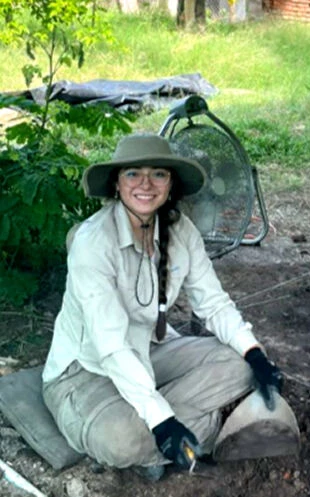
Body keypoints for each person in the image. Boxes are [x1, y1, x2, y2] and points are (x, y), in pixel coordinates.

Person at [41, 133, 286, 479]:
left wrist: (256, 355)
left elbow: (213, 303)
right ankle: (191, 428)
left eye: (158, 174)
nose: (146, 184)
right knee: (119, 440)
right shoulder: (93, 243)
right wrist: (162, 420)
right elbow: (111, 346)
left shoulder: (181, 231)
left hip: (150, 349)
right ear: (116, 184)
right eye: (133, 174)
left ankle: (167, 434)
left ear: (170, 184)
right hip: (86, 370)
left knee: (240, 363)